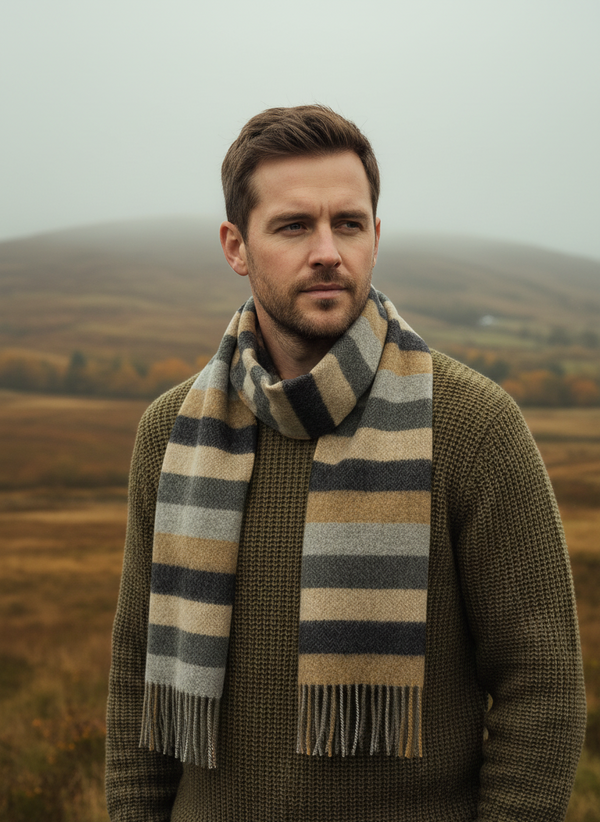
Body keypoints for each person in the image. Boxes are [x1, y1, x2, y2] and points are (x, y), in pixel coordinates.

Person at [106, 105, 586, 822]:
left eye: (349, 224)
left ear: (376, 236)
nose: (328, 250)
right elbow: (136, 684)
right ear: (236, 246)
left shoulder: (473, 426)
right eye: (295, 226)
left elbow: (542, 689)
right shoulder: (169, 433)